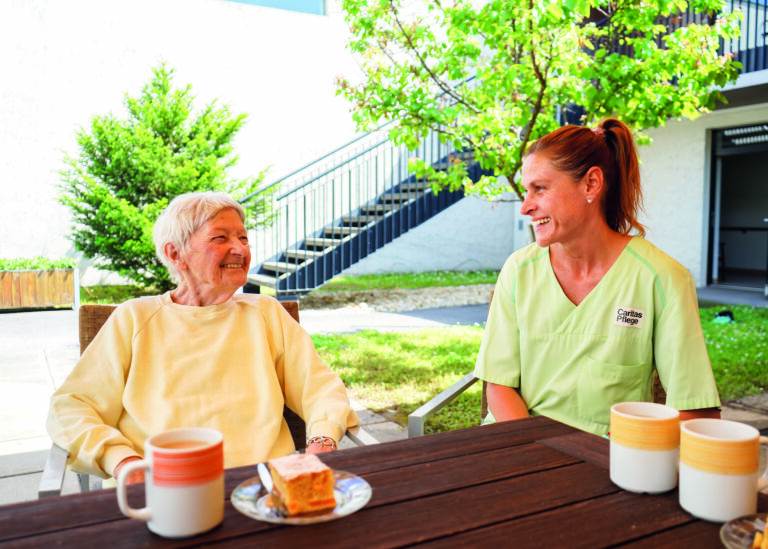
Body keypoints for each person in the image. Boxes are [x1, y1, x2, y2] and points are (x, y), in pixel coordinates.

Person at [48, 191, 359, 483]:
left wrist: (321, 440)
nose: (240, 249)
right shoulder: (135, 319)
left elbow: (320, 389)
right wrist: (122, 461)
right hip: (163, 491)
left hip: (264, 487)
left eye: (243, 237)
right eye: (220, 238)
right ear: (176, 253)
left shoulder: (265, 313)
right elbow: (71, 407)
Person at [474, 118, 720, 437]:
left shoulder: (662, 278)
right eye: (526, 190)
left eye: (540, 189)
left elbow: (696, 411)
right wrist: (538, 455)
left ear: (591, 184)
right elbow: (499, 385)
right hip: (517, 443)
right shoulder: (518, 270)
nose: (525, 207)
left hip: (614, 459)